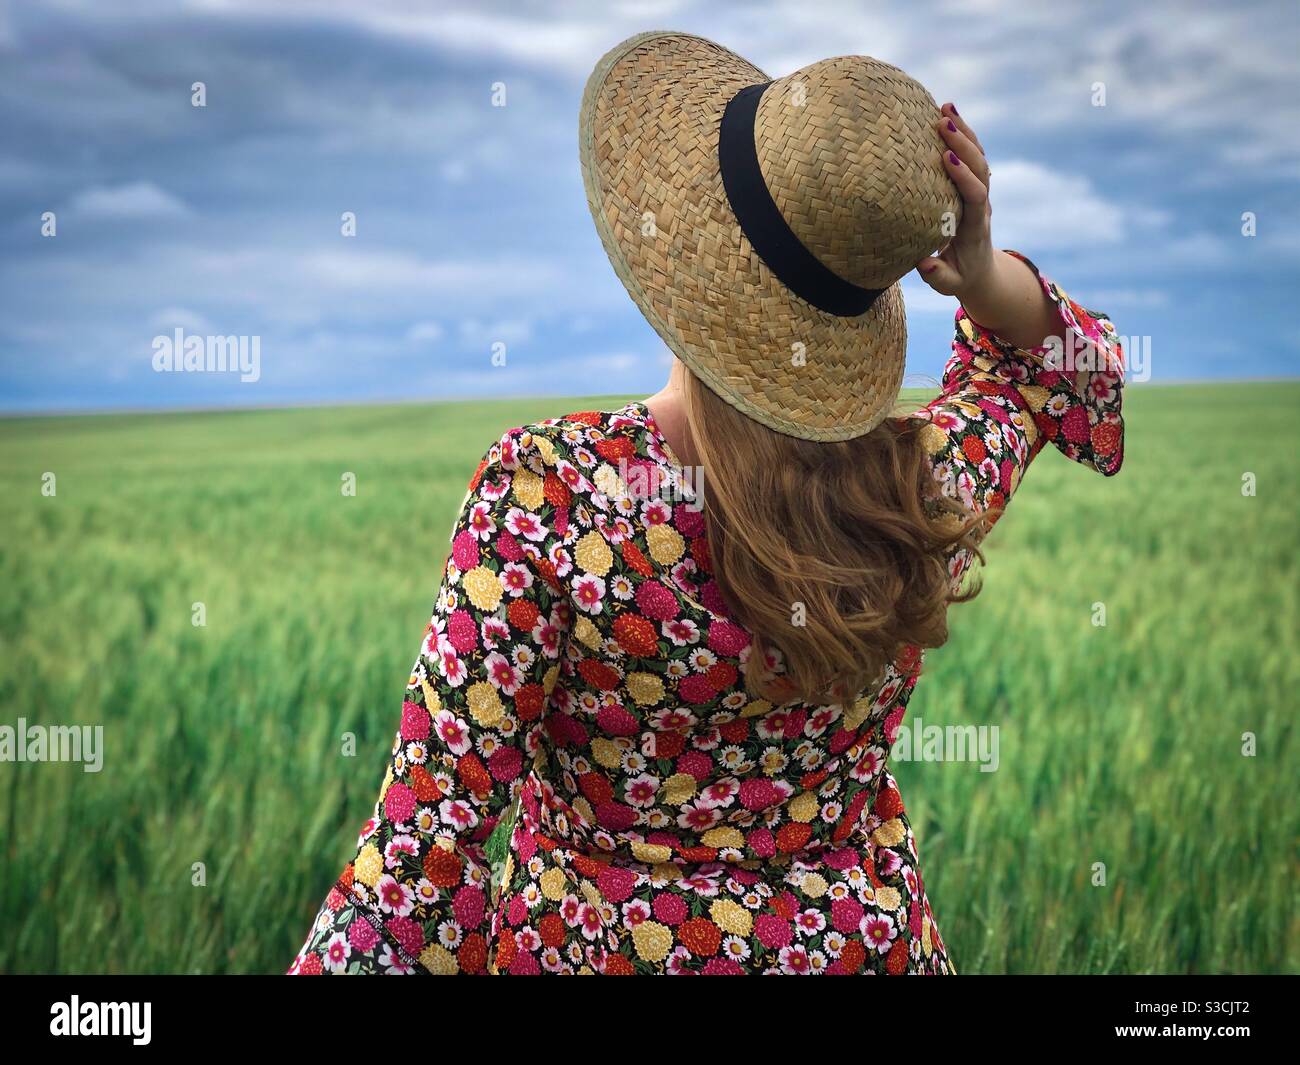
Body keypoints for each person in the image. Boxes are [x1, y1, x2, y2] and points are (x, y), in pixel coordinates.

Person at [289, 31, 1124, 975]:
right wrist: (980, 273)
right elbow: (1054, 373)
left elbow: (427, 854)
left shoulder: (552, 496)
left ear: (684, 245)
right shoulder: (924, 483)